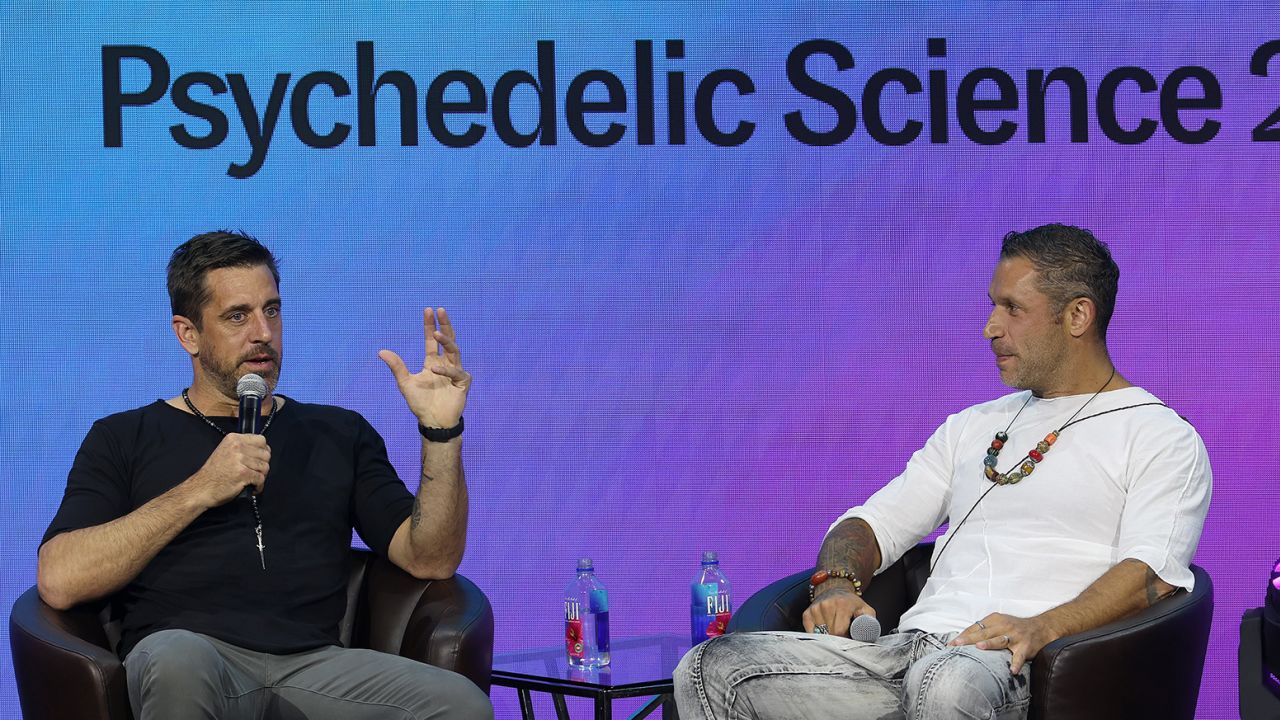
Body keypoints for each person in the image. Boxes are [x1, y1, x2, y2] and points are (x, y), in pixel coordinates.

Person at [674, 224, 1212, 719]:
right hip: (903, 654)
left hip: (1014, 662)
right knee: (709, 669)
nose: (989, 328)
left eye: (1012, 309)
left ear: (1077, 316)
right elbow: (872, 523)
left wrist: (1044, 627)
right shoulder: (972, 426)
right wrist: (835, 585)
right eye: (991, 306)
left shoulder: (1159, 435)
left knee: (947, 684)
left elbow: (1152, 573)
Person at [36, 231, 492, 720]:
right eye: (238, 316)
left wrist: (441, 432)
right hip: (190, 657)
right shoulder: (124, 436)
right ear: (187, 333)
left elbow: (431, 559)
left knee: (460, 703)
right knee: (179, 662)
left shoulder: (337, 432)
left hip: (315, 666)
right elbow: (60, 579)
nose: (263, 333)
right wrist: (199, 489)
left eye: (271, 310)